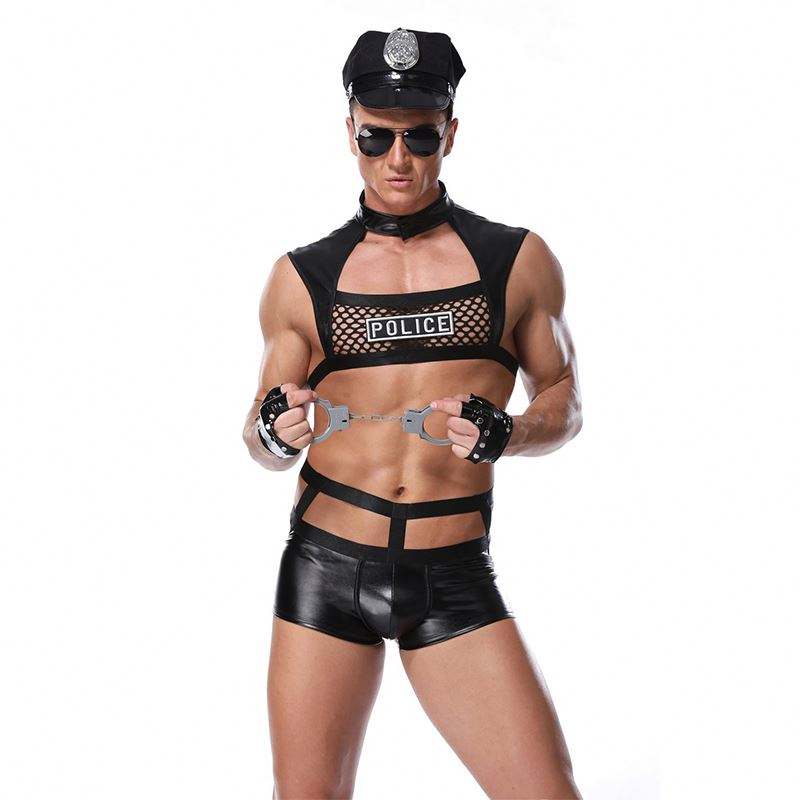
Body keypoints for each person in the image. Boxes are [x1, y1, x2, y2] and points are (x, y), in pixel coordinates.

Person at [242, 27, 583, 799]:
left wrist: (511, 433)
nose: (398, 159)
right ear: (350, 132)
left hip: (451, 573)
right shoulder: (304, 277)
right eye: (377, 137)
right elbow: (258, 436)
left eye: (420, 137)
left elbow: (564, 396)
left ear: (450, 133)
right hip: (326, 569)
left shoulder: (514, 262)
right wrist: (272, 431)